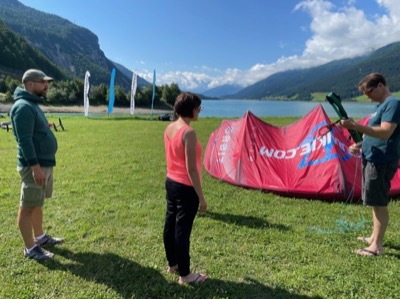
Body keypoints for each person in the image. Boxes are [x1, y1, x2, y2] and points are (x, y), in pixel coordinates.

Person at [341, 73, 400, 256]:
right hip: (372, 157)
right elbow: (372, 134)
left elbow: (385, 132)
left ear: (381, 85)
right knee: (374, 201)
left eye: (369, 91)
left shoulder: (393, 104)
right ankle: (374, 237)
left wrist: (355, 127)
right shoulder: (380, 106)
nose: (367, 96)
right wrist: (360, 144)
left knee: (379, 202)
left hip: (382, 160)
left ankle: (377, 247)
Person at [10, 69, 64, 261]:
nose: (47, 85)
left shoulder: (31, 104)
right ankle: (30, 248)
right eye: (43, 82)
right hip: (35, 167)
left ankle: (40, 237)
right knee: (28, 206)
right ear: (30, 84)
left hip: (42, 164)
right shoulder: (23, 107)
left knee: (36, 203)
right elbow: (24, 141)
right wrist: (35, 167)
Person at [163, 92, 208, 284]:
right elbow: (191, 169)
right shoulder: (188, 133)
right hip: (185, 187)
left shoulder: (170, 128)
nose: (199, 111)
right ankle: (186, 275)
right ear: (191, 109)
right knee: (182, 231)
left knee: (170, 224)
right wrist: (202, 198)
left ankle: (173, 264)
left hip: (171, 182)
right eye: (198, 108)